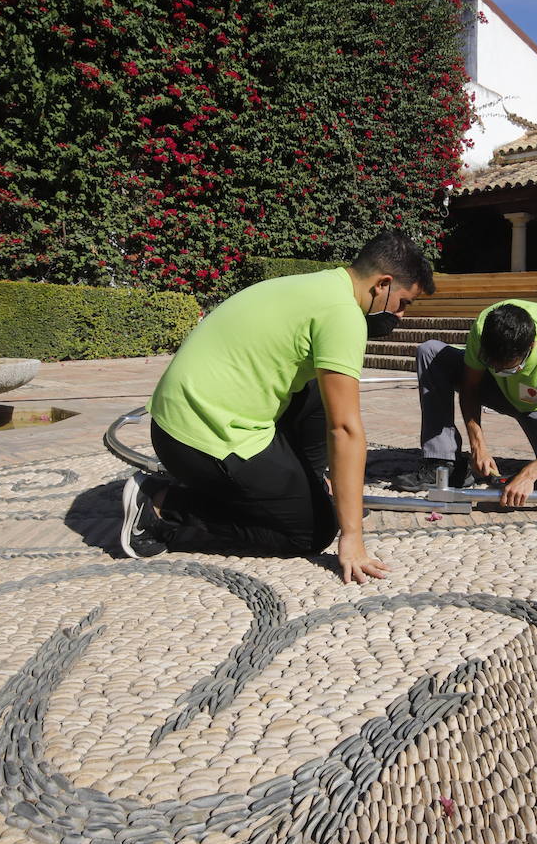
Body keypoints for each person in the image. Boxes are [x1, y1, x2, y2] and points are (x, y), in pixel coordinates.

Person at [120, 231, 434, 582]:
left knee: (319, 390)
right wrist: (352, 537)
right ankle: (162, 506)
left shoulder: (323, 286)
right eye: (403, 302)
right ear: (383, 284)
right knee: (310, 532)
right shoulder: (342, 313)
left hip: (177, 421)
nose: (401, 315)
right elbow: (344, 429)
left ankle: (300, 489)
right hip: (197, 440)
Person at [391, 300, 537, 506]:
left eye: (508, 369)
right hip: (496, 390)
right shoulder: (484, 327)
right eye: (491, 365)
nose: (499, 371)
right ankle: (443, 461)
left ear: (532, 347)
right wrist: (478, 445)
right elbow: (470, 388)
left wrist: (529, 475)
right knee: (430, 352)